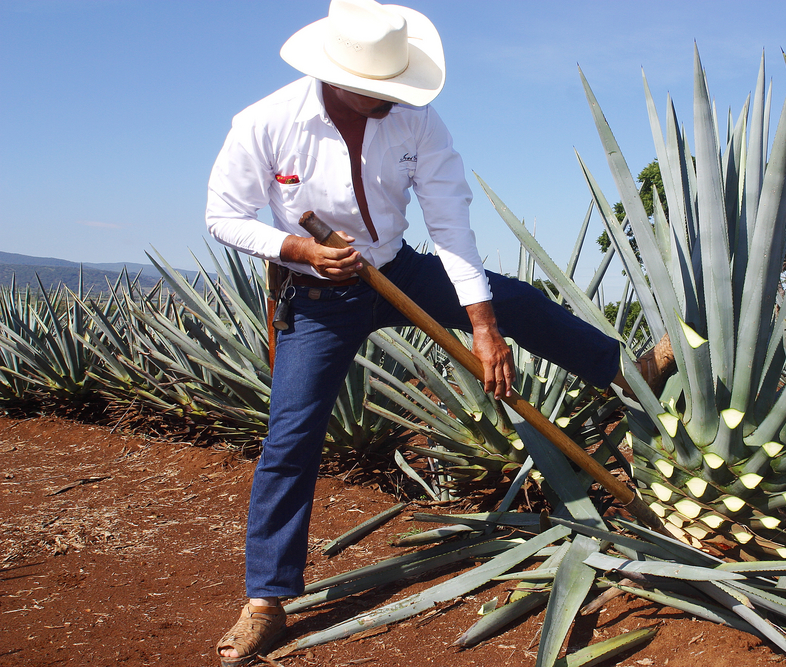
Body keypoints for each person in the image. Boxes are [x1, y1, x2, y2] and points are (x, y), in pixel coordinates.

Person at [206, 2, 673, 664]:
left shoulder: (416, 121)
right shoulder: (268, 122)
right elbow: (222, 214)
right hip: (318, 294)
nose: (394, 98)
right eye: (381, 88)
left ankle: (624, 371)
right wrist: (300, 251)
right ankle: (267, 600)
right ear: (340, 76)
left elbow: (450, 222)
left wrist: (483, 326)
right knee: (291, 434)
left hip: (397, 270)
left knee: (517, 301)